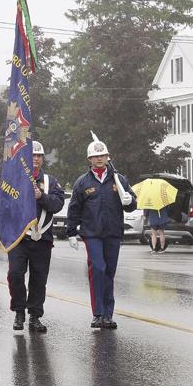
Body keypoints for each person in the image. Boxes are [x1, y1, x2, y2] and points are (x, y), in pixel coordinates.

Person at [66, 135, 136, 330]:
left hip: (113, 232)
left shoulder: (119, 179)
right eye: (95, 156)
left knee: (109, 272)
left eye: (102, 155)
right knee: (98, 269)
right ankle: (98, 314)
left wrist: (130, 201)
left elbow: (131, 204)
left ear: (108, 157)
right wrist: (71, 232)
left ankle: (108, 314)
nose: (99, 159)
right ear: (89, 160)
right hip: (92, 233)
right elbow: (74, 208)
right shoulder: (82, 182)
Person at [6, 141, 65, 332]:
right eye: (33, 156)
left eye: (39, 156)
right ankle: (19, 312)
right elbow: (3, 204)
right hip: (19, 238)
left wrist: (42, 197)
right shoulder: (14, 179)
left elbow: (57, 204)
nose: (36, 159)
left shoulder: (51, 181)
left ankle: (34, 316)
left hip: (42, 238)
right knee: (15, 274)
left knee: (39, 279)